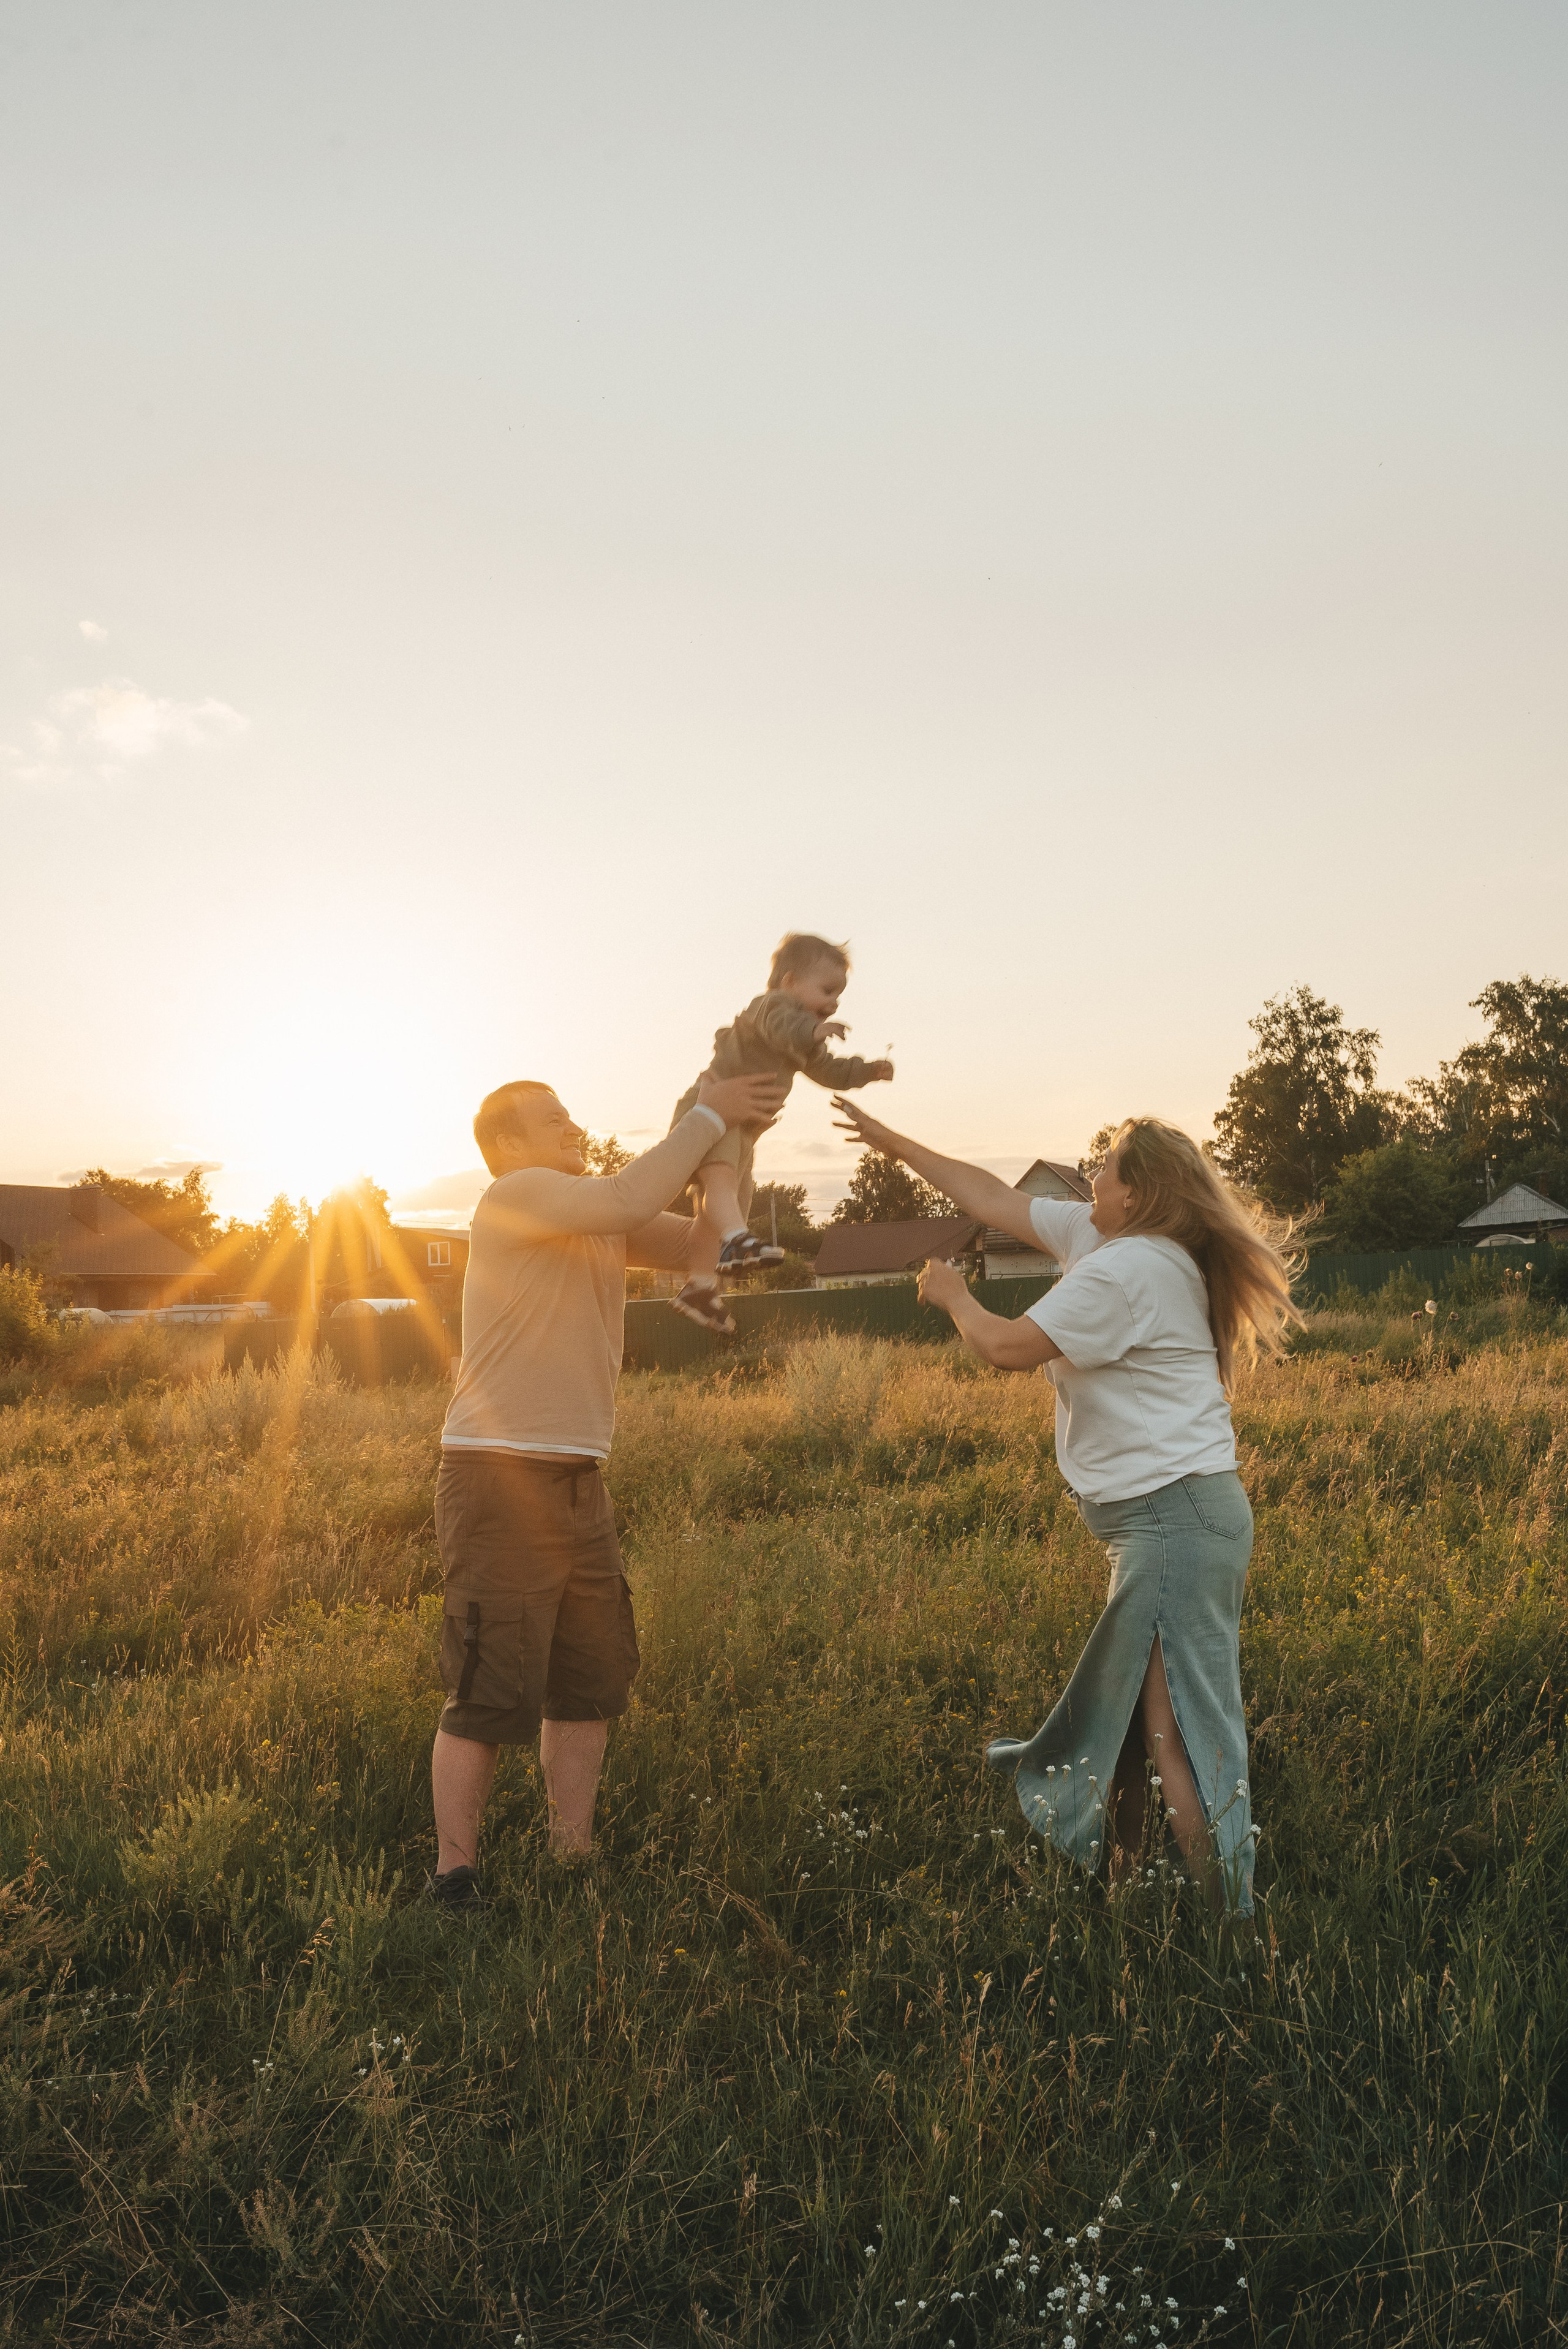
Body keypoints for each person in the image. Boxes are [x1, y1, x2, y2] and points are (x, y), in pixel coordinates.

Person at [831, 1097, 1299, 1917]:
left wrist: (952, 1295)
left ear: (1142, 1189)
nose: (1092, 1175)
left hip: (1172, 1525)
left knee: (1178, 1735)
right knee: (1128, 1722)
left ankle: (1231, 1933)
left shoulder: (1134, 1268)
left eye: (1107, 1165)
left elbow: (1009, 1346)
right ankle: (1123, 1895)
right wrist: (891, 1139)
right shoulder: (1104, 1240)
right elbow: (989, 1197)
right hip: (1168, 1522)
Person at [429, 1065, 786, 1907]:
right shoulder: (516, 1197)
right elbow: (631, 1196)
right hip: (498, 1473)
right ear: (509, 1145)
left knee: (589, 1677)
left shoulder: (591, 1216)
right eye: (555, 1121)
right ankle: (454, 1876)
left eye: (570, 1118)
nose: (574, 1130)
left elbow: (703, 1244)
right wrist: (705, 1113)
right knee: (488, 1683)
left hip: (580, 1477)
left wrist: (735, 1146)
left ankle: (572, 1854)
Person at [667, 933, 895, 1333]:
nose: (833, 1002)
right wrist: (812, 1032)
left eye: (838, 995)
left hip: (742, 1126)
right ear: (789, 982)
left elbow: (828, 1071)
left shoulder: (804, 1035)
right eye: (827, 990)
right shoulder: (770, 1006)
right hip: (713, 1108)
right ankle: (736, 1239)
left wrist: (866, 1071)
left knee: (727, 1199)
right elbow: (783, 1028)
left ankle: (701, 1286)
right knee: (720, 1183)